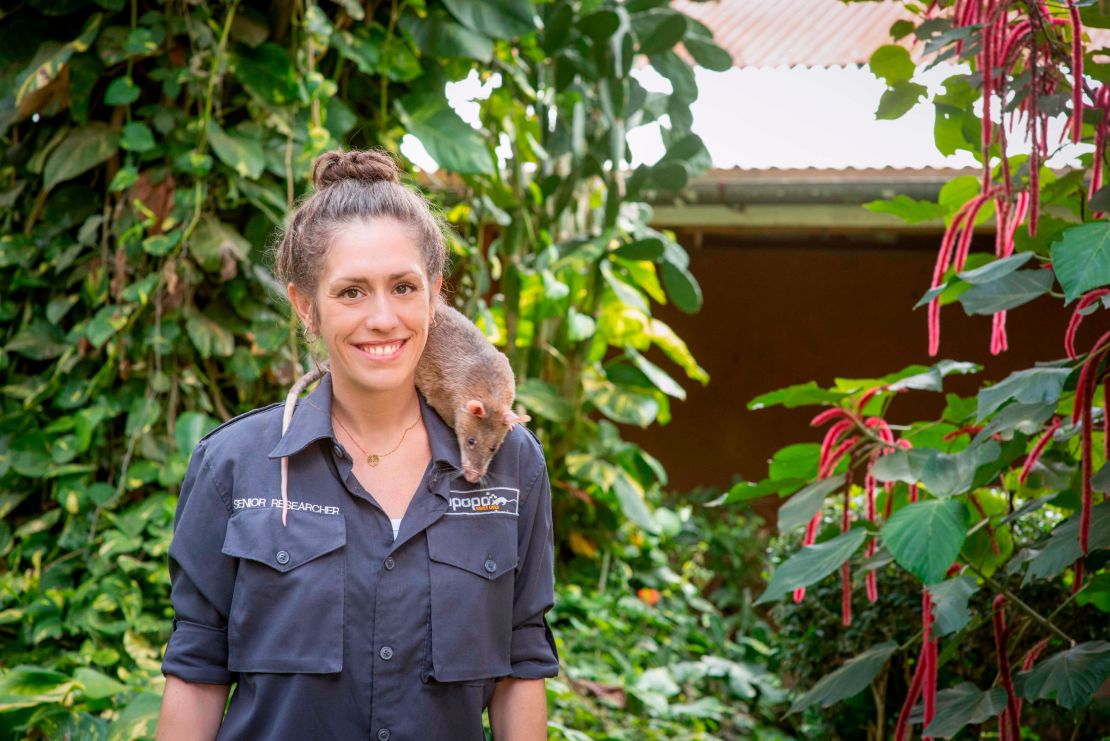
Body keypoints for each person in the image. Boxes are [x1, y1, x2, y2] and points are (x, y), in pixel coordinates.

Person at [156, 149, 558, 740]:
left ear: (434, 295)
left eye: (403, 287)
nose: (382, 317)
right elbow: (196, 671)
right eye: (350, 292)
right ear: (305, 307)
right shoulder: (234, 465)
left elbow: (521, 666)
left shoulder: (510, 462)